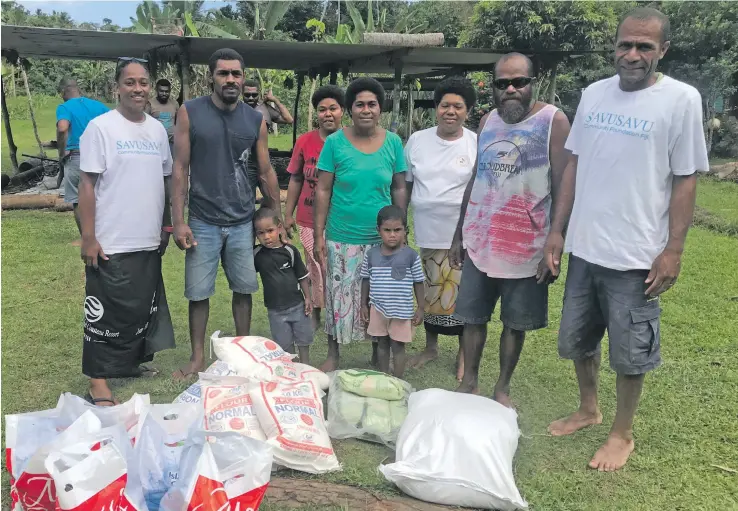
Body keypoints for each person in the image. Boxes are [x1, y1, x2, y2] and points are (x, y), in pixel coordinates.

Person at [544, 7, 708, 472]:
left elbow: (686, 179)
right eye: (625, 45)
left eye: (644, 47)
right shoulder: (594, 94)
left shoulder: (681, 100)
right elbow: (574, 164)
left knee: (630, 352)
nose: (632, 55)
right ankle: (589, 409)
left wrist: (673, 249)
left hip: (636, 255)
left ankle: (621, 433)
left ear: (663, 50)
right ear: (614, 45)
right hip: (585, 248)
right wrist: (558, 229)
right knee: (578, 340)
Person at [449, 52, 571, 407]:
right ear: (494, 88)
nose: (511, 89)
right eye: (503, 84)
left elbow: (565, 182)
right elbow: (477, 177)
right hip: (481, 240)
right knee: (472, 318)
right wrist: (460, 233)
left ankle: (502, 388)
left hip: (527, 246)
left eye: (519, 82)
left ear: (534, 82)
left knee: (514, 323)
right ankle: (469, 382)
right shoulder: (488, 121)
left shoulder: (554, 121)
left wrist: (556, 236)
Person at [171, 48, 282, 381]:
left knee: (244, 289)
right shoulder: (189, 112)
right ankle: (196, 359)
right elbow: (180, 168)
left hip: (242, 221)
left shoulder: (255, 120)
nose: (231, 79)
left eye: (236, 73)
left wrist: (277, 213)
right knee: (198, 293)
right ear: (212, 77)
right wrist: (179, 220)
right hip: (203, 220)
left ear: (243, 77)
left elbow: (265, 170)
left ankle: (241, 353)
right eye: (224, 73)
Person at [77, 58, 175, 405]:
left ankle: (129, 363)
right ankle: (98, 380)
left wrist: (165, 225)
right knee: (104, 307)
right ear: (116, 87)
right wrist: (89, 237)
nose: (138, 89)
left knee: (138, 307)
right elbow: (86, 185)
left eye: (143, 82)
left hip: (147, 237)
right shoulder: (101, 128)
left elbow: (164, 181)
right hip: (111, 238)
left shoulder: (157, 131)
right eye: (130, 82)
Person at [313, 77, 408, 372]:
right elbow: (323, 189)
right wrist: (318, 234)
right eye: (359, 104)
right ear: (349, 109)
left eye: (372, 104)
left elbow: (399, 187)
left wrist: (400, 228)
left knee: (379, 297)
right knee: (338, 296)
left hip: (381, 240)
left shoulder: (393, 142)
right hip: (342, 235)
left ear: (381, 109)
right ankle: (334, 353)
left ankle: (378, 355)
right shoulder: (334, 142)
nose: (366, 110)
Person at [404, 76, 478, 382]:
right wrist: (401, 223)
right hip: (427, 231)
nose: (451, 111)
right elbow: (407, 184)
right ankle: (430, 347)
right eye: (445, 105)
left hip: (463, 236)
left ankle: (464, 355)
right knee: (430, 293)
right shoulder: (418, 141)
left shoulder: (476, 142)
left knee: (463, 296)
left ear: (467, 110)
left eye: (458, 106)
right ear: (436, 108)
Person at [284, 85, 345, 330]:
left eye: (333, 108)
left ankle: (339, 312)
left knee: (335, 267)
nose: (327, 114)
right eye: (322, 110)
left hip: (339, 220)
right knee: (315, 266)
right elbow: (296, 178)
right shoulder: (305, 141)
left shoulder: (348, 142)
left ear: (343, 111)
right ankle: (317, 312)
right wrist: (287, 214)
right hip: (308, 217)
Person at [360, 206, 424, 378]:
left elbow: (419, 282)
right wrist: (363, 305)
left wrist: (420, 308)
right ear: (378, 231)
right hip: (378, 308)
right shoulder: (372, 254)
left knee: (398, 346)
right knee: (381, 344)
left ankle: (398, 379)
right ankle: (384, 376)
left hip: (401, 311)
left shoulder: (411, 256)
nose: (392, 234)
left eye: (397, 230)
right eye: (387, 230)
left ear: (405, 230)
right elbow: (365, 279)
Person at [253, 207, 313, 365]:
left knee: (303, 338)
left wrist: (308, 298)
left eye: (270, 230)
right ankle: (290, 368)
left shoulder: (290, 251)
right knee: (284, 344)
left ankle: (305, 366)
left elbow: (302, 276)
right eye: (260, 233)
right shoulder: (256, 254)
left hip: (297, 305)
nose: (266, 237)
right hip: (275, 310)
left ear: (279, 227)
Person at [56, 77, 109, 234]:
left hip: (76, 156)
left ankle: (86, 237)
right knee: (99, 197)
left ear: (63, 92)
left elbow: (62, 128)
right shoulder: (98, 106)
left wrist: (61, 152)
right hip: (99, 157)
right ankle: (103, 234)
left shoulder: (64, 107)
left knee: (78, 200)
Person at [146, 78, 179, 157]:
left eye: (166, 91)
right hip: (155, 143)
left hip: (171, 143)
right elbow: (145, 123)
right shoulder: (150, 104)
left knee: (171, 167)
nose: (164, 93)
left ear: (170, 91)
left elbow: (178, 122)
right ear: (157, 90)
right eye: (161, 91)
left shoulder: (174, 104)